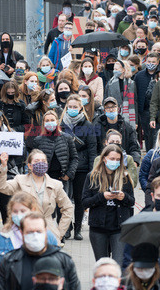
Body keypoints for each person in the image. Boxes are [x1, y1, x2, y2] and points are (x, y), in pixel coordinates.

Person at [0, 150, 74, 242]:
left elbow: (68, 207)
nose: (40, 164)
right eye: (36, 161)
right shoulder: (20, 180)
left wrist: (59, 232)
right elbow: (1, 187)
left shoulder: (55, 185)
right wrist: (3, 166)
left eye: (43, 161)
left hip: (48, 232)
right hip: (24, 231)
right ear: (29, 165)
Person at [0, 212, 81, 290]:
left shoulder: (65, 261)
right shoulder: (9, 261)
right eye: (30, 232)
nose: (35, 235)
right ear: (22, 233)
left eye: (39, 231)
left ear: (46, 232)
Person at [82, 144, 135, 265]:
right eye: (112, 159)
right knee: (103, 265)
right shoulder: (92, 176)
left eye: (118, 160)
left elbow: (132, 201)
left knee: (118, 263)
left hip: (119, 228)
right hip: (98, 228)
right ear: (104, 158)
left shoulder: (125, 177)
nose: (115, 162)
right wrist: (102, 196)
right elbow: (85, 202)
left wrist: (123, 197)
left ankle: (118, 283)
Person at [0, 192, 59, 279]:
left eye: (23, 211)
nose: (19, 215)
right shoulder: (2, 238)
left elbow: (57, 266)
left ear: (32, 210)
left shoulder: (48, 236)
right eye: (15, 211)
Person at [61, 94, 98, 241]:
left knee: (79, 199)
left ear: (80, 107)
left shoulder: (88, 126)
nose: (72, 109)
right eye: (69, 107)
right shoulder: (61, 124)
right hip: (65, 166)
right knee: (65, 199)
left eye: (75, 107)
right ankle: (67, 227)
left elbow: (92, 149)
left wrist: (91, 170)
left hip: (82, 168)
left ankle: (77, 228)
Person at [32, 110, 79, 197]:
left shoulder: (67, 138)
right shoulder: (38, 140)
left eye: (52, 120)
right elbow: (33, 161)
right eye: (47, 121)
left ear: (57, 121)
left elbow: (74, 158)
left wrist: (69, 174)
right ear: (43, 123)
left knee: (62, 207)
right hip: (45, 180)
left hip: (62, 179)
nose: (50, 123)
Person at [94, 97, 141, 165]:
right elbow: (94, 148)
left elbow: (134, 147)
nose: (111, 110)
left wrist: (134, 162)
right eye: (108, 107)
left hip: (123, 162)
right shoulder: (97, 127)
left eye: (113, 107)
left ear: (118, 109)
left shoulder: (127, 127)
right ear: (104, 110)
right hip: (104, 163)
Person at [139, 124, 160, 205]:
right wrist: (150, 191)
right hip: (154, 197)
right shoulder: (151, 154)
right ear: (159, 136)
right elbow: (143, 175)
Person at [0, 32, 24, 105]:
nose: (5, 41)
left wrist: (13, 70)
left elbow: (23, 71)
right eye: (3, 39)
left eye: (7, 39)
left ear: (10, 40)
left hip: (13, 86)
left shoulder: (17, 56)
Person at [134, 53, 160, 151]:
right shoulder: (139, 76)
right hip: (144, 110)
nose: (151, 64)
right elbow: (136, 93)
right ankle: (150, 153)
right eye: (149, 61)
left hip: (158, 110)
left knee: (156, 133)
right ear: (145, 61)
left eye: (153, 62)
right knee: (147, 134)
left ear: (157, 63)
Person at [105, 60, 137, 129]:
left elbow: (135, 102)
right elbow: (105, 99)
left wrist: (136, 120)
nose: (114, 71)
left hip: (128, 116)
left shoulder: (131, 84)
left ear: (123, 70)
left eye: (116, 69)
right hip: (114, 115)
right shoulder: (110, 83)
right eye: (114, 69)